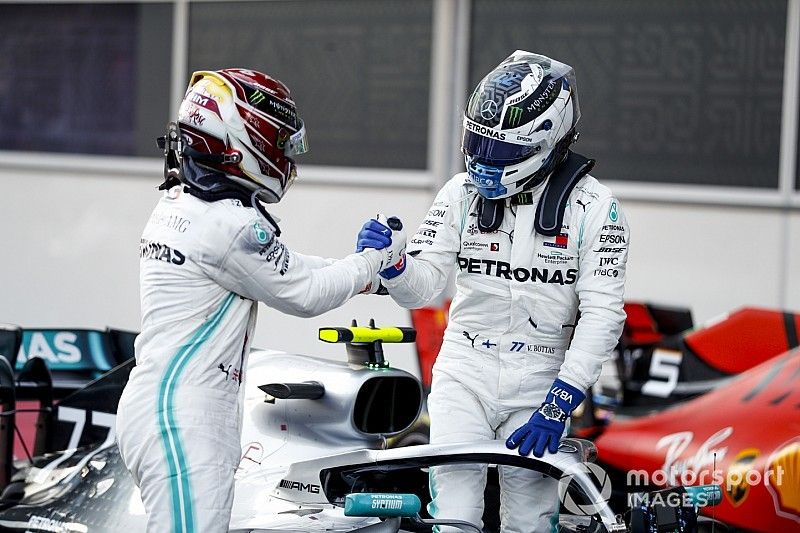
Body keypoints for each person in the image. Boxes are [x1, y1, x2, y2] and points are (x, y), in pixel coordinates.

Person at [115, 68, 405, 533]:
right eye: (281, 145)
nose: (287, 160)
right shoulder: (227, 225)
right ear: (242, 139)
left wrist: (363, 275)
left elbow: (283, 267)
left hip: (165, 408)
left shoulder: (183, 204)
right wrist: (371, 261)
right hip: (184, 417)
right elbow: (305, 293)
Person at [358, 51, 629, 532]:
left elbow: (603, 317)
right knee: (455, 516)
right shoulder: (459, 193)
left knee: (530, 520)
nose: (483, 164)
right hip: (464, 371)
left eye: (499, 153)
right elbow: (424, 288)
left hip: (543, 381)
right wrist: (396, 265)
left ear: (548, 140)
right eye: (476, 145)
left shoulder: (597, 208)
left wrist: (559, 403)